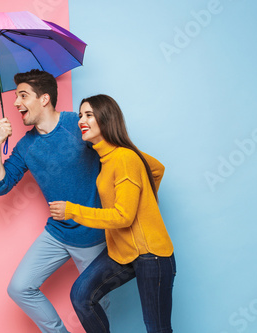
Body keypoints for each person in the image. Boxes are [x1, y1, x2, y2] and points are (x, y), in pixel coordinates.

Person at [0, 70, 106, 333]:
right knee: (19, 288)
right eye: (16, 96)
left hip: (92, 235)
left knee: (96, 305)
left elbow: (114, 157)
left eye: (23, 95)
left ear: (44, 99)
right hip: (57, 232)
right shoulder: (26, 146)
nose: (16, 103)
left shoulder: (78, 125)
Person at [49, 94, 176, 333]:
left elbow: (123, 217)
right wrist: (142, 199)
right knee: (81, 295)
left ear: (106, 119)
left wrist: (72, 210)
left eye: (88, 115)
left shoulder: (123, 158)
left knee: (157, 329)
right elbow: (156, 169)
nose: (81, 121)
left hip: (151, 256)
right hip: (123, 252)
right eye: (80, 115)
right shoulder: (112, 156)